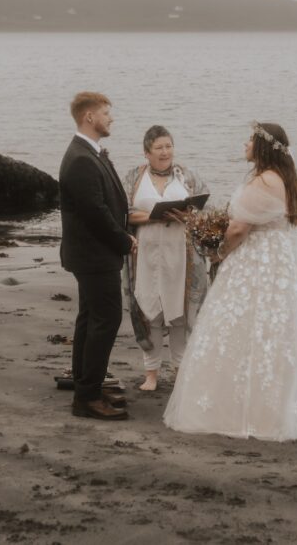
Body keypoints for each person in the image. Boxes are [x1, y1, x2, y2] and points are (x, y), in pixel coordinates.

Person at [164, 122, 297, 441]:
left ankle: (235, 411)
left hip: (258, 260)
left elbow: (238, 229)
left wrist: (218, 253)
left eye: (250, 140)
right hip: (279, 258)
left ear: (262, 147)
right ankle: (264, 409)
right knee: (267, 331)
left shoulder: (264, 181)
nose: (244, 144)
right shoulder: (282, 177)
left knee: (238, 327)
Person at [59, 92, 137, 421]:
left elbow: (107, 203)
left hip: (92, 254)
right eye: (106, 112)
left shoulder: (89, 153)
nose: (111, 118)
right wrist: (124, 241)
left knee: (90, 319)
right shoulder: (80, 159)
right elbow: (95, 212)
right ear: (89, 117)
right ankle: (87, 397)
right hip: (94, 255)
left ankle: (85, 385)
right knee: (106, 320)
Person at [122, 126, 210, 392]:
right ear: (147, 152)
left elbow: (202, 213)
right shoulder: (134, 178)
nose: (165, 152)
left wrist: (186, 216)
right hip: (145, 253)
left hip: (180, 254)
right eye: (159, 147)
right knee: (151, 312)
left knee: (179, 313)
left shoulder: (188, 176)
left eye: (169, 146)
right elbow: (122, 213)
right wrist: (153, 216)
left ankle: (181, 373)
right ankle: (151, 374)